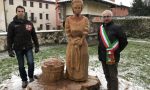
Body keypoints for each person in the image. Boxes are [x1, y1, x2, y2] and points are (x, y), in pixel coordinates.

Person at [7, 6, 39, 88]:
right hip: (18, 48)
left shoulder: (29, 23)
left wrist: (37, 46)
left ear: (24, 12)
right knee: (21, 66)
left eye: (22, 11)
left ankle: (31, 77)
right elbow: (9, 38)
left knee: (31, 63)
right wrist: (10, 49)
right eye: (19, 11)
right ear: (16, 12)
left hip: (28, 47)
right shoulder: (12, 24)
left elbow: (34, 35)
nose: (21, 12)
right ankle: (24, 80)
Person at [98, 10, 128, 90]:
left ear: (111, 17)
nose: (106, 18)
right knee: (106, 74)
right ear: (102, 18)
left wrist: (116, 51)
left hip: (112, 56)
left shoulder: (117, 27)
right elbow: (100, 41)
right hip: (103, 56)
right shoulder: (100, 28)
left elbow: (124, 41)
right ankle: (109, 88)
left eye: (108, 16)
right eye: (104, 17)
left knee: (113, 76)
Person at [65, 0, 89, 81]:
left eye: (79, 7)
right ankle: (71, 76)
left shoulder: (85, 19)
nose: (77, 9)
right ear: (72, 8)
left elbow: (86, 31)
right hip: (72, 43)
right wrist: (72, 40)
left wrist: (81, 40)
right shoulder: (68, 19)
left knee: (83, 61)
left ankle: (82, 77)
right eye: (75, 8)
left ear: (82, 8)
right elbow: (67, 31)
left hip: (82, 43)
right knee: (70, 59)